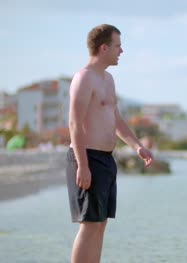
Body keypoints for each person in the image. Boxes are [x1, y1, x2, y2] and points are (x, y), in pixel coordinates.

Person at [66, 24, 153, 263]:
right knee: (89, 224)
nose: (121, 51)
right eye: (117, 46)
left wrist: (136, 146)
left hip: (105, 159)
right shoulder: (84, 78)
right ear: (103, 48)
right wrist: (83, 166)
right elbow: (74, 124)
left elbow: (116, 120)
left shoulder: (108, 79)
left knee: (100, 224)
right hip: (87, 158)